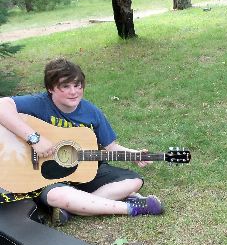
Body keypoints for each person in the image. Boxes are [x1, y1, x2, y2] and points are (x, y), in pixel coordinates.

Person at [0, 57, 163, 225]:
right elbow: (2, 105)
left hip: (84, 171)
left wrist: (133, 154)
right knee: (57, 196)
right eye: (65, 86)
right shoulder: (39, 103)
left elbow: (111, 147)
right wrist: (35, 139)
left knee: (134, 181)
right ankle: (131, 207)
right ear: (50, 88)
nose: (74, 92)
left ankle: (73, 207)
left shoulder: (92, 112)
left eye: (77, 85)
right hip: (48, 179)